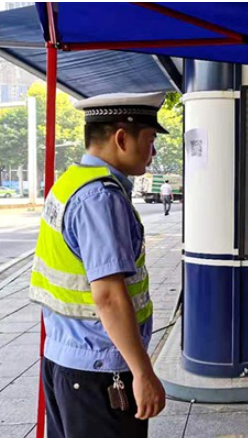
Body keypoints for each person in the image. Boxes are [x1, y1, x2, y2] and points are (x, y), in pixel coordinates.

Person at [29, 92, 169, 438]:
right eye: (150, 141)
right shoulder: (101, 198)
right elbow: (107, 296)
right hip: (100, 372)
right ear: (122, 138)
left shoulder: (70, 182)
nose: (153, 153)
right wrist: (143, 372)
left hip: (66, 361)